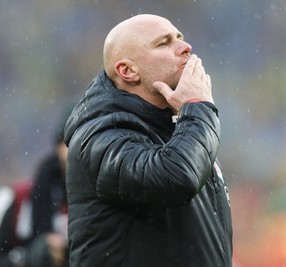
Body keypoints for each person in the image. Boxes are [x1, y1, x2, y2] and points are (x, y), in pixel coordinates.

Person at [64, 14, 232, 266]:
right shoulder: (100, 134)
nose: (185, 47)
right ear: (128, 71)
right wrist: (197, 106)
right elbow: (176, 178)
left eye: (180, 38)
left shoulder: (179, 125)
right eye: (164, 43)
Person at [0, 117, 69, 267]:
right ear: (59, 147)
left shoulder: (115, 200)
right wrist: (30, 258)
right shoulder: (19, 199)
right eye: (72, 140)